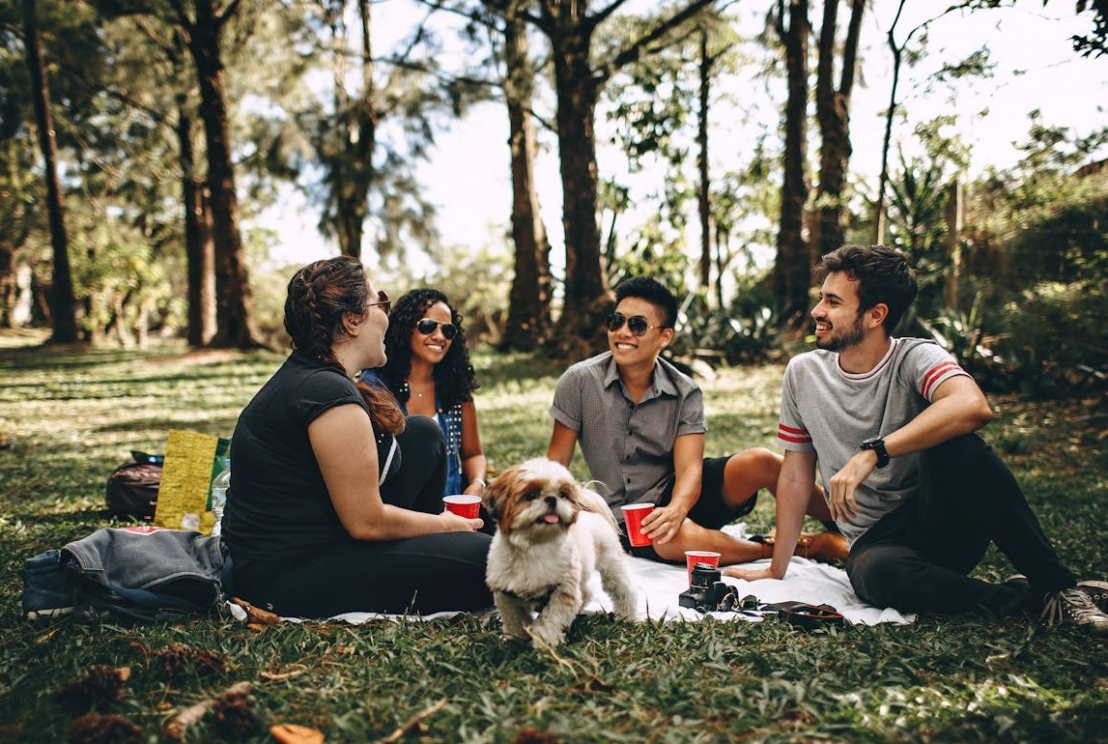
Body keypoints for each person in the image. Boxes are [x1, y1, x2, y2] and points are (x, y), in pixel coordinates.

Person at [725, 244, 1108, 633]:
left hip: (941, 520)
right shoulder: (803, 373)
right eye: (821, 298)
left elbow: (972, 406)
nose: (817, 311)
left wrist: (874, 452)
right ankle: (1026, 600)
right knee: (877, 575)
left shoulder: (916, 357)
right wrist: (777, 567)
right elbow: (794, 476)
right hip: (877, 544)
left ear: (876, 314)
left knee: (959, 446)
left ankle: (1057, 588)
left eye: (833, 302)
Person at [221, 257, 493, 618]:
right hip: (289, 573)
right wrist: (447, 523)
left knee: (423, 434)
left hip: (323, 537)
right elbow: (366, 522)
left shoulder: (316, 377)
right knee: (493, 562)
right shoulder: (327, 395)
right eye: (380, 302)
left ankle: (439, 546)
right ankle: (445, 546)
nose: (387, 315)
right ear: (351, 320)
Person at [546, 276, 846, 566]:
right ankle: (792, 547)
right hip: (627, 518)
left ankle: (848, 527)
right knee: (668, 538)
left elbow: (690, 469)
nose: (623, 332)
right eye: (616, 321)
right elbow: (556, 463)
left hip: (682, 494)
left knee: (762, 461)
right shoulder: (579, 382)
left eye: (637, 325)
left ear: (664, 336)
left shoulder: (685, 391)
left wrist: (677, 509)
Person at [360, 289, 487, 498]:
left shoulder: (455, 388)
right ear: (405, 328)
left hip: (452, 512)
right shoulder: (374, 387)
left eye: (448, 330)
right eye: (428, 326)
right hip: (398, 513)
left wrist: (477, 484)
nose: (439, 336)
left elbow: (473, 454)